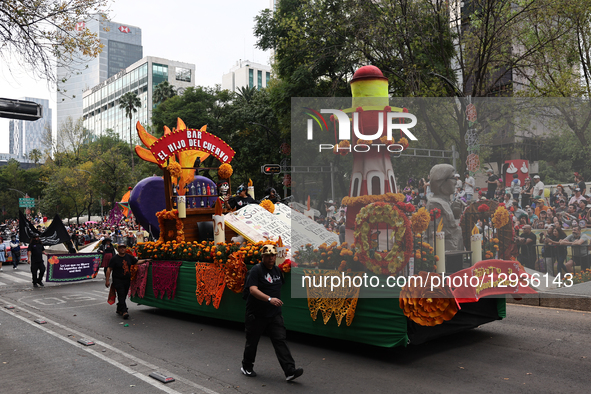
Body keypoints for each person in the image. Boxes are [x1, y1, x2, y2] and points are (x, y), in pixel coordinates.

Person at [241, 244, 303, 381]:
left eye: (273, 255)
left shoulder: (277, 270)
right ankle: (246, 366)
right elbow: (252, 290)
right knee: (252, 342)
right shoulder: (256, 271)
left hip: (274, 314)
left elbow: (278, 287)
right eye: (268, 256)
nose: (271, 258)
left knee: (280, 340)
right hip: (256, 314)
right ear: (262, 256)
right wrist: (269, 299)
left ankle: (290, 371)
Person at [105, 244, 151, 319]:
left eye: (124, 247)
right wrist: (107, 280)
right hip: (117, 280)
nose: (122, 249)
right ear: (118, 249)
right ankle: (124, 311)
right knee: (121, 294)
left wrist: (146, 260)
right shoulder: (114, 258)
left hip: (126, 280)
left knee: (124, 295)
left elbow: (136, 262)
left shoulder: (129, 257)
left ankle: (119, 308)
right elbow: (109, 269)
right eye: (121, 248)